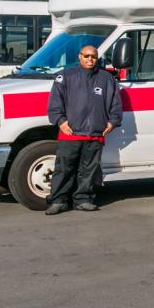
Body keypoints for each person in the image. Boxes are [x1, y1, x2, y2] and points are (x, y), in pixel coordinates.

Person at [44, 45, 123, 215]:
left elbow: (116, 104)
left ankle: (83, 199)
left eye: (93, 56)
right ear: (80, 56)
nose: (90, 59)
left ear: (97, 58)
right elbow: (54, 103)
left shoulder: (107, 79)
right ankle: (58, 201)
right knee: (64, 168)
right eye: (86, 56)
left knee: (88, 170)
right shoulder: (65, 76)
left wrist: (112, 122)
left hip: (95, 135)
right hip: (70, 133)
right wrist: (61, 121)